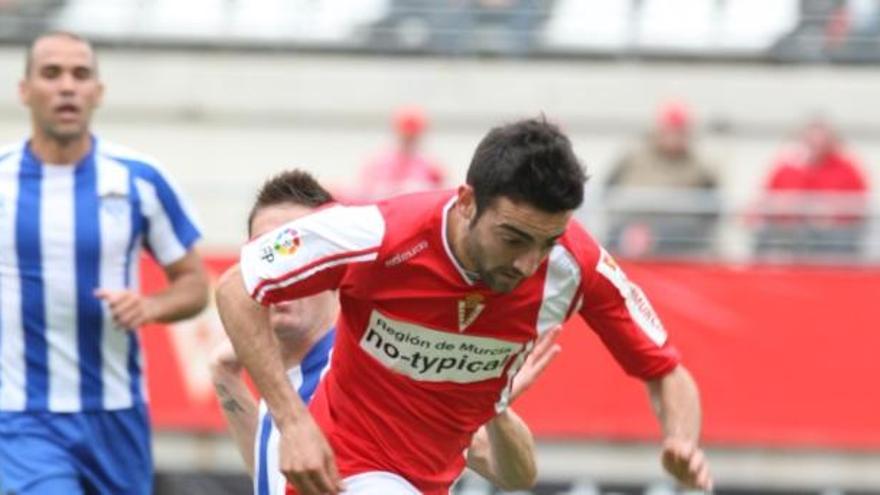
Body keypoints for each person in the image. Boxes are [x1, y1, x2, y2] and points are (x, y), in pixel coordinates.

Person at [216, 117, 713, 494]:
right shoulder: (381, 233)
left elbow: (667, 372)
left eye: (548, 241)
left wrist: (683, 442)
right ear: (468, 201)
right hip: (345, 471)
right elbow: (236, 287)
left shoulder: (576, 266)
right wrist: (294, 423)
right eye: (513, 237)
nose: (528, 263)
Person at [210, 169, 560, 494]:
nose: (281, 273)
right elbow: (281, 477)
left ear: (329, 264)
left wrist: (491, 402)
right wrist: (224, 375)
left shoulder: (374, 371)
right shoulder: (279, 389)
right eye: (266, 251)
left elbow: (516, 475)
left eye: (296, 253)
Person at [0, 32, 209, 494]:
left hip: (117, 414)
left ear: (98, 91)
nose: (67, 86)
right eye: (51, 74)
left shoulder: (139, 179)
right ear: (25, 90)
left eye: (81, 74)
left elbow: (195, 284)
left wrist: (151, 307)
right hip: (21, 416)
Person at [605, 101, 720, 257]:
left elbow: (711, 209)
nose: (674, 137)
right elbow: (609, 190)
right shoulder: (633, 157)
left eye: (680, 132)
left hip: (677, 242)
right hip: (630, 232)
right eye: (670, 131)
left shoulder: (700, 167)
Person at [756, 117, 869, 257]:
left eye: (822, 141)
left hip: (833, 233)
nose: (817, 146)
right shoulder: (788, 167)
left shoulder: (847, 168)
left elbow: (860, 204)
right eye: (812, 141)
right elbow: (769, 199)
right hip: (792, 232)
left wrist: (830, 213)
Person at [351, 106, 446, 202]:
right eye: (406, 134)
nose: (409, 138)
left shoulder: (432, 168)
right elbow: (363, 194)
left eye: (413, 135)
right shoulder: (376, 164)